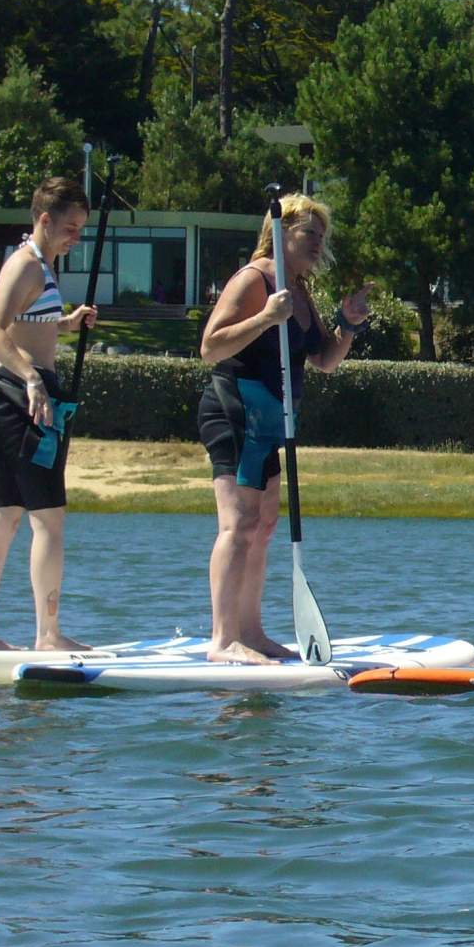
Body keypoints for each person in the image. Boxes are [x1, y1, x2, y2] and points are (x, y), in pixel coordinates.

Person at [197, 194, 370, 664]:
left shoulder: (298, 289)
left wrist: (348, 325)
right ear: (279, 233)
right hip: (235, 410)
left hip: (270, 419)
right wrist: (264, 318)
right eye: (307, 233)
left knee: (265, 525)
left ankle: (250, 633)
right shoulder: (255, 279)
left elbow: (325, 359)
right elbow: (210, 347)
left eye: (321, 235)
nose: (317, 242)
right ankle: (222, 639)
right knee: (238, 523)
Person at [0, 178, 99, 651]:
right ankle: (49, 635)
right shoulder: (25, 266)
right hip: (20, 404)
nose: (75, 238)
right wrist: (33, 378)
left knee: (3, 520)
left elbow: (26, 324)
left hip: (10, 403)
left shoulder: (40, 265)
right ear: (45, 220)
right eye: (70, 228)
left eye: (81, 229)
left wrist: (65, 322)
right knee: (49, 521)